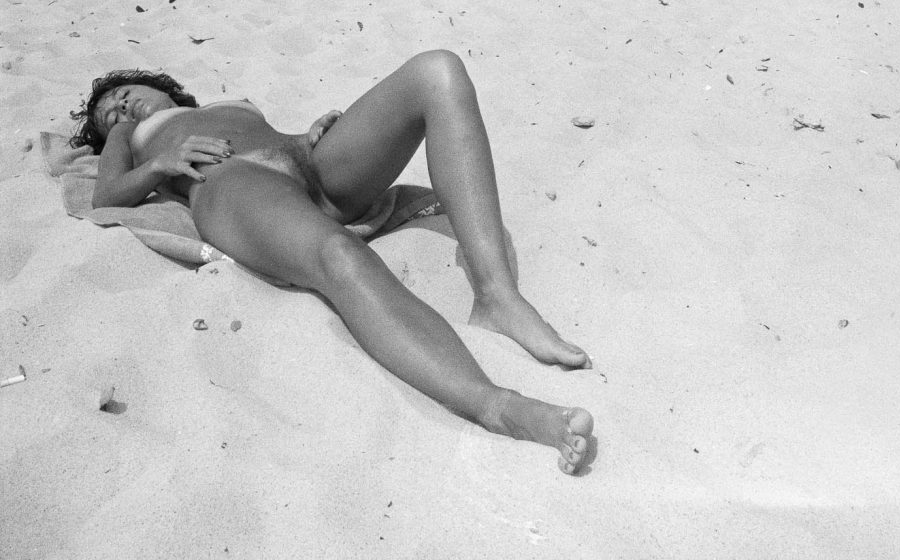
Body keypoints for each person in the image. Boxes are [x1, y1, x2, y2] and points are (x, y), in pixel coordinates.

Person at [69, 52, 595, 474]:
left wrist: (305, 137)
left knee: (439, 71)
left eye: (124, 94)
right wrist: (159, 162)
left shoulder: (224, 103)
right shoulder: (132, 138)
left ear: (162, 86)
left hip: (310, 166)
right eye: (109, 113)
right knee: (339, 254)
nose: (121, 108)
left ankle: (496, 295)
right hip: (228, 184)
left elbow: (266, 135)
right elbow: (107, 194)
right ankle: (497, 406)